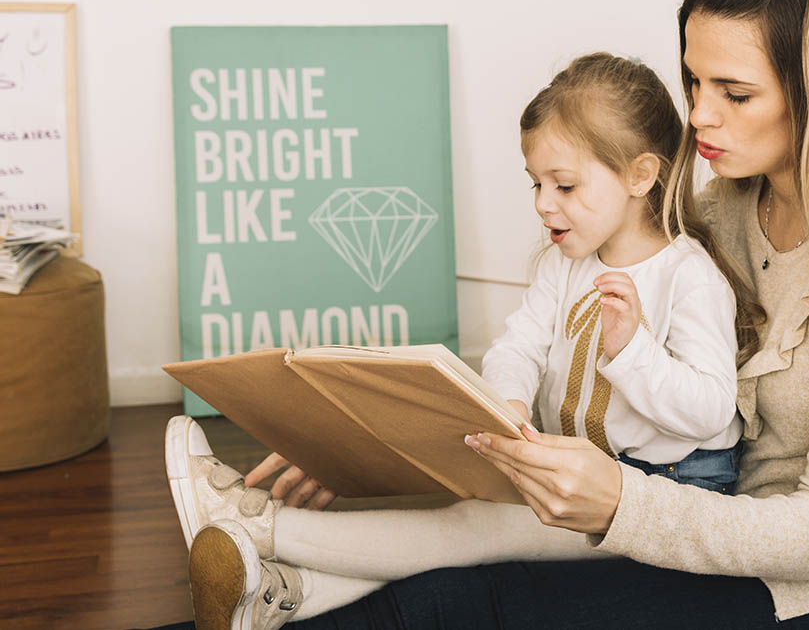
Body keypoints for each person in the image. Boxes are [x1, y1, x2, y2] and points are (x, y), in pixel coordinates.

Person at [150, 0, 809, 630]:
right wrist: (355, 444)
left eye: (733, 93)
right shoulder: (720, 212)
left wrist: (618, 503)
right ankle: (268, 577)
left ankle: (269, 575)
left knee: (468, 606)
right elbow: (558, 352)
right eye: (692, 79)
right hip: (717, 518)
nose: (697, 116)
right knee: (453, 563)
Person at [163, 53, 757, 629]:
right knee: (460, 523)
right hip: (576, 469)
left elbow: (708, 412)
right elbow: (517, 347)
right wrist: (508, 405)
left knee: (476, 529)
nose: (543, 204)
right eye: (536, 184)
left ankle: (257, 525)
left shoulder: (689, 277)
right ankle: (286, 594)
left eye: (566, 186)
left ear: (641, 176)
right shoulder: (567, 263)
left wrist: (631, 353)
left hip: (663, 494)